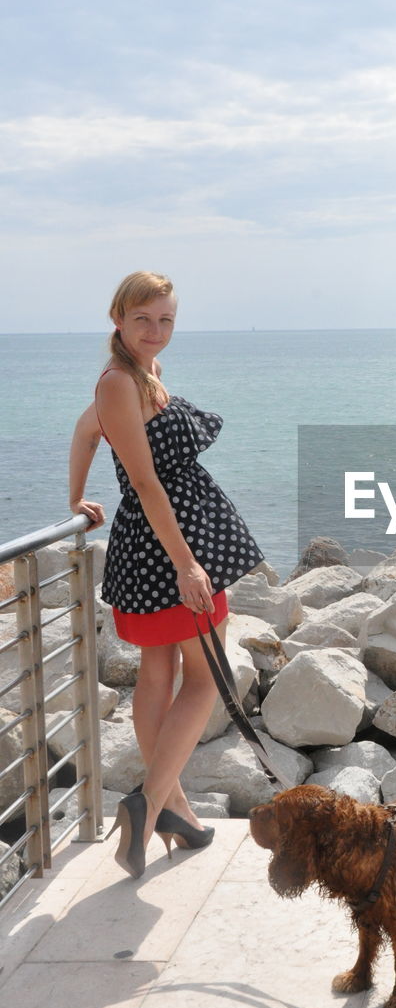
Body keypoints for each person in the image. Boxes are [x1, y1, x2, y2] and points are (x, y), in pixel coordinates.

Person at [69, 271, 264, 879]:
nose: (156, 331)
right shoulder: (118, 383)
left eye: (166, 321)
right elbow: (148, 484)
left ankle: (171, 811)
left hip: (166, 544)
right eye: (143, 319)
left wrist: (76, 496)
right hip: (168, 550)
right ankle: (148, 805)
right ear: (118, 320)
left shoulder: (138, 378)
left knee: (159, 674)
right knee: (206, 681)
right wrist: (188, 565)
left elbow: (84, 433)